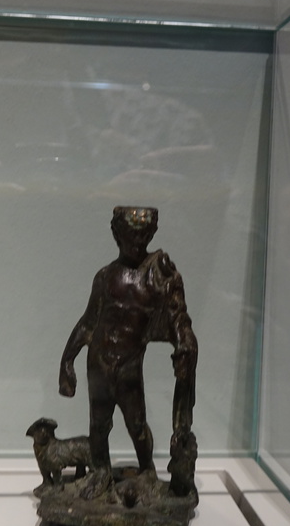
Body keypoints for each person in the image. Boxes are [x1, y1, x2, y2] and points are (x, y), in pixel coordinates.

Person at [59, 207, 197, 499]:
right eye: (130, 236)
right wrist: (67, 361)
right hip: (98, 362)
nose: (137, 242)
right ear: (116, 235)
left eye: (143, 236)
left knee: (137, 425)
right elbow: (88, 323)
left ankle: (147, 470)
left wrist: (184, 343)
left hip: (129, 366)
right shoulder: (105, 277)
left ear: (150, 235)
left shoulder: (158, 279)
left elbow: (178, 318)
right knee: (98, 424)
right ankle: (101, 471)